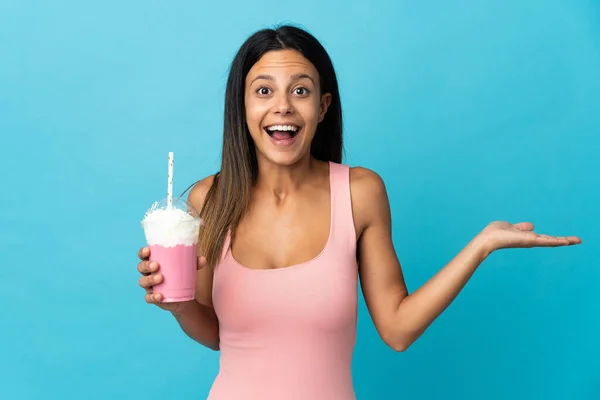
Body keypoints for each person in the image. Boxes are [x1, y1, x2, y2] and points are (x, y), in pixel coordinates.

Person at [136, 25, 582, 399]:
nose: (283, 106)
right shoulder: (207, 200)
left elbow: (398, 329)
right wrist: (175, 305)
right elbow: (217, 334)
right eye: (264, 91)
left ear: (323, 106)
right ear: (243, 106)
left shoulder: (359, 193)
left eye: (301, 91)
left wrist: (481, 245)